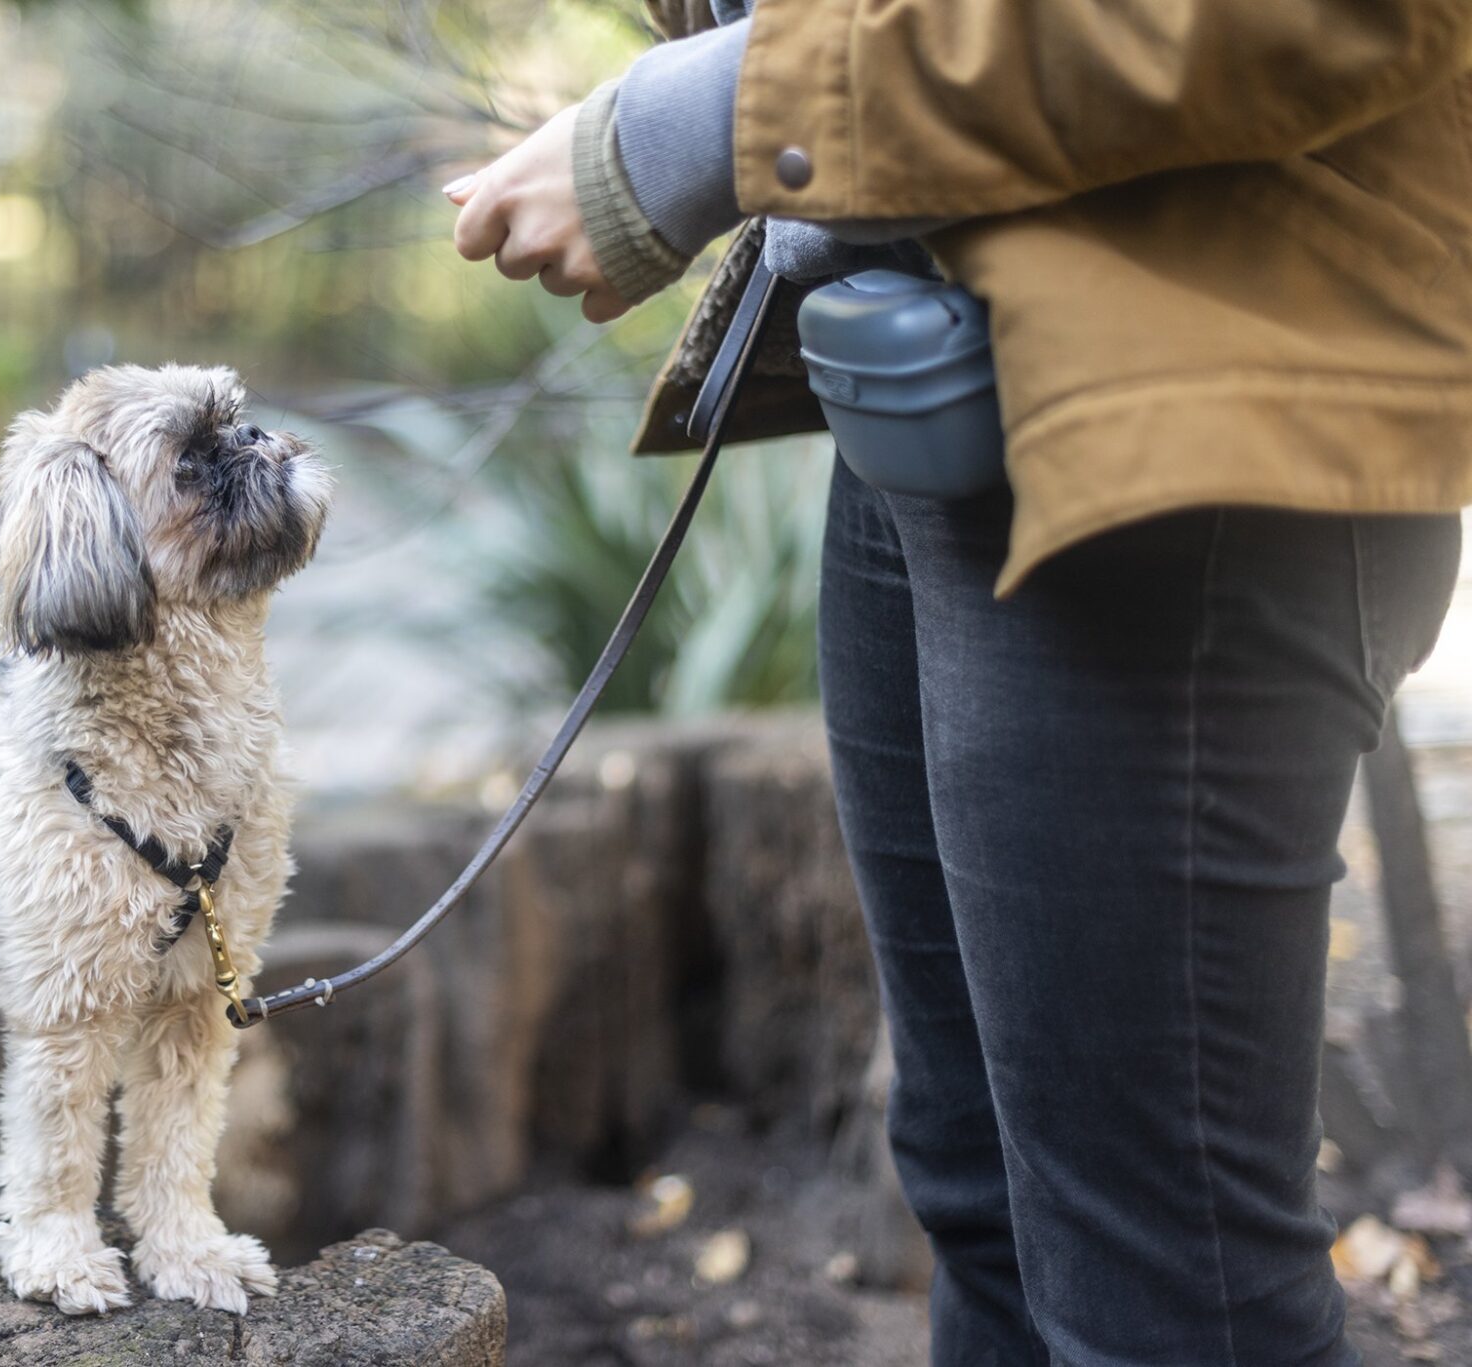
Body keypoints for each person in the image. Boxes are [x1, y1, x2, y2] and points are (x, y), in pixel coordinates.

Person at [446, 2, 1472, 1363]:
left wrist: (707, 114)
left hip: (1177, 433)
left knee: (1165, 1285)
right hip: (934, 380)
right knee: (976, 1182)